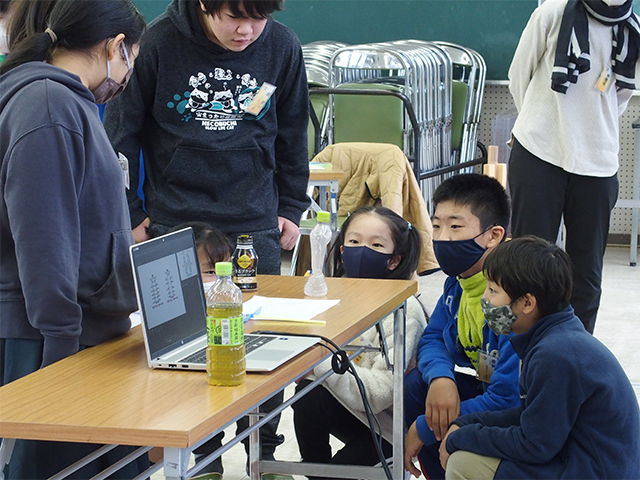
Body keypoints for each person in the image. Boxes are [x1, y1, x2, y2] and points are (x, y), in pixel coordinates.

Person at [104, 2, 309, 470]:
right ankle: (201, 459)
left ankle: (266, 455)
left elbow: (294, 130)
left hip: (254, 220)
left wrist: (292, 205)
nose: (247, 31)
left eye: (259, 18)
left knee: (260, 339)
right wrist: (131, 212)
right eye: (234, 17)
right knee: (187, 348)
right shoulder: (156, 42)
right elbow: (120, 131)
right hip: (178, 222)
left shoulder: (281, 45)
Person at [0, 0, 146, 478]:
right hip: (48, 338)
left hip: (81, 330)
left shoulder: (68, 101)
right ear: (117, 47)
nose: (126, 78)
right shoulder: (47, 105)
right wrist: (60, 351)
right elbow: (45, 239)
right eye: (133, 60)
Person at [439, 236, 640, 480]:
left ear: (527, 302)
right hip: (580, 459)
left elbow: (535, 445)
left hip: (593, 472)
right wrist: (467, 422)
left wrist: (462, 437)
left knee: (465, 462)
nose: (485, 299)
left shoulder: (555, 356)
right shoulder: (556, 336)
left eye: (493, 290)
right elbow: (528, 415)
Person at [507, 0, 640, 334]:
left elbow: (620, 96)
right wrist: (544, 123)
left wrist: (589, 131)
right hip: (539, 152)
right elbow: (517, 76)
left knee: (586, 275)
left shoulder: (630, 28)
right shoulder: (552, 12)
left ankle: (573, 355)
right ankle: (522, 360)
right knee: (527, 266)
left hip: (598, 164)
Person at [292, 206, 428, 478]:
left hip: (390, 428)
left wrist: (317, 364)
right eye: (354, 241)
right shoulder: (331, 294)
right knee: (308, 395)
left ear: (394, 261)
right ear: (342, 249)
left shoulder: (404, 311)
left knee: (315, 383)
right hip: (354, 411)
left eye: (376, 244)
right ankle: (315, 472)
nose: (362, 250)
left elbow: (379, 394)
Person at [403, 174, 520, 479]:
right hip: (489, 388)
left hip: (525, 415)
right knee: (418, 386)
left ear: (493, 236)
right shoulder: (458, 285)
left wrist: (424, 428)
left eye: (455, 226)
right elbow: (432, 338)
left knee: (428, 421)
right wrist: (442, 378)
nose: (442, 237)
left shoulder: (507, 297)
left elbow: (509, 397)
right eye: (436, 225)